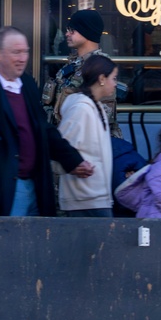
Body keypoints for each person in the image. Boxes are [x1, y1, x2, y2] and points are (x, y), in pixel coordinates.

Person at [0, 25, 92, 216]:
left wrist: (72, 160)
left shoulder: (28, 84)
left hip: (36, 185)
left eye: (25, 52)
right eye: (16, 52)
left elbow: (43, 129)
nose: (23, 58)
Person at [57, 53, 117, 217]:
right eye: (114, 78)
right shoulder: (81, 109)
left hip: (94, 198)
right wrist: (74, 166)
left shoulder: (94, 107)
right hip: (84, 200)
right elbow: (60, 150)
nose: (115, 84)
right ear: (102, 79)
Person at [43, 9, 118, 133]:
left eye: (72, 30)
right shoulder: (75, 63)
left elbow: (99, 119)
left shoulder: (100, 67)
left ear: (86, 32)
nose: (67, 34)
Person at [128, 24, 161, 107]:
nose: (131, 47)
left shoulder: (154, 75)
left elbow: (154, 108)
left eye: (135, 42)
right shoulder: (160, 70)